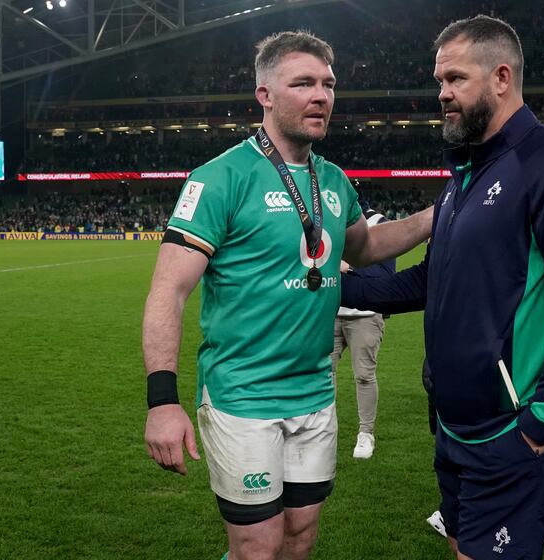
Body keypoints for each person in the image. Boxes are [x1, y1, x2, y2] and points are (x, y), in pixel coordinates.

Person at [141, 31, 432, 560]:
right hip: (242, 398)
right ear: (266, 95)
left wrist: (437, 217)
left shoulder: (335, 180)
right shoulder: (221, 178)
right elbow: (168, 291)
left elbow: (365, 247)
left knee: (299, 536)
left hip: (316, 395)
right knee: (258, 546)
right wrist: (162, 400)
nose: (321, 95)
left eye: (328, 84)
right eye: (303, 83)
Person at [342, 15, 544, 559]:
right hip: (455, 422)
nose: (442, 94)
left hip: (513, 429)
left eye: (455, 79)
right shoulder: (464, 176)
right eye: (439, 80)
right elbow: (432, 280)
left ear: (500, 77)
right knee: (463, 547)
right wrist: (331, 290)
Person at [331, 206, 395, 459]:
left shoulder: (378, 221)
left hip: (365, 315)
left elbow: (386, 274)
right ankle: (325, 428)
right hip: (330, 311)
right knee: (324, 373)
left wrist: (347, 267)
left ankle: (366, 433)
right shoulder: (326, 215)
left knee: (365, 375)